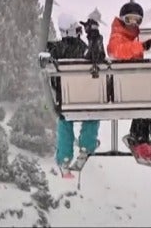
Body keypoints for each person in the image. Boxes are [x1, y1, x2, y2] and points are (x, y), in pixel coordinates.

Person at [107, 2, 151, 160]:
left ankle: (148, 142)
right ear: (123, 20)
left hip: (132, 83)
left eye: (137, 20)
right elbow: (117, 51)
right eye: (129, 19)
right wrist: (140, 47)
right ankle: (146, 141)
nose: (133, 24)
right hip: (123, 85)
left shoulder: (130, 39)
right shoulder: (117, 36)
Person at [48, 13, 103, 178]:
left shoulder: (55, 49)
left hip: (65, 98)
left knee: (65, 122)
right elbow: (97, 56)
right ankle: (86, 146)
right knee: (92, 116)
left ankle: (64, 158)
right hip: (84, 96)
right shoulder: (82, 48)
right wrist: (94, 35)